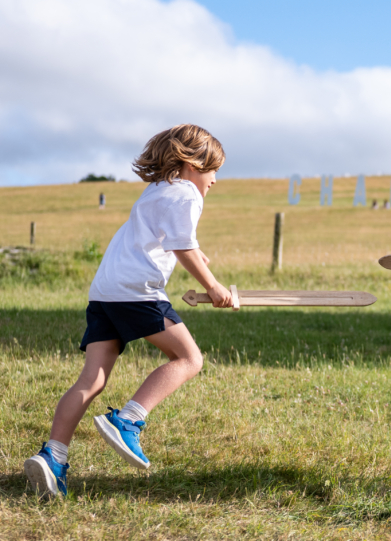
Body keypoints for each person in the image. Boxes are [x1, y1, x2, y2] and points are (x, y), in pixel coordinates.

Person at [23, 124, 234, 498]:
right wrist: (213, 286)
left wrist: (195, 252)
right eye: (212, 169)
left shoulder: (157, 190)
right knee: (188, 358)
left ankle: (53, 457)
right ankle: (129, 420)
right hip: (137, 292)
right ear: (190, 164)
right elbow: (182, 247)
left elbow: (165, 238)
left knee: (92, 380)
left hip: (105, 292)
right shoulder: (187, 194)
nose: (214, 180)